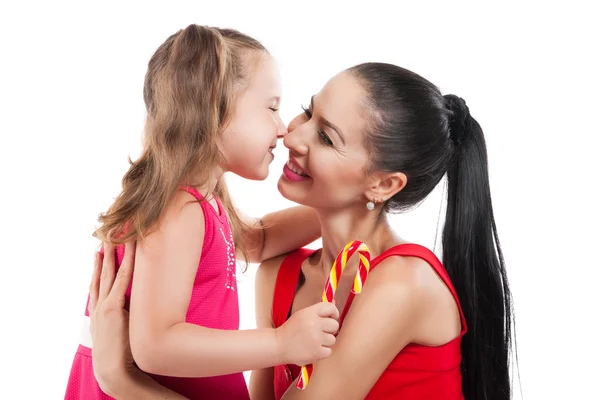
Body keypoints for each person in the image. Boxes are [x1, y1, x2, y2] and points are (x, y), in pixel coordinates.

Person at [89, 62, 513, 399]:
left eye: (326, 137)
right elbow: (249, 238)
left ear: (383, 184)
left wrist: (121, 381)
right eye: (308, 111)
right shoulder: (280, 276)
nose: (292, 135)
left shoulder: (404, 284)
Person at [64, 24, 341, 400]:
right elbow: (155, 345)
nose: (281, 129)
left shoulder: (198, 197)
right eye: (272, 108)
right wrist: (281, 343)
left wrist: (338, 203)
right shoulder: (180, 207)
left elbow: (258, 240)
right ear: (215, 109)